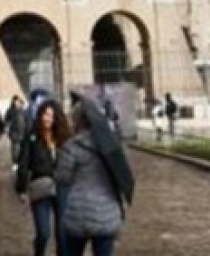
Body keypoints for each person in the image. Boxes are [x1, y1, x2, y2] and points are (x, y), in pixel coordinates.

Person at [57, 102, 129, 256]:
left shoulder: (71, 146)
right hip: (106, 215)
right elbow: (122, 171)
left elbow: (63, 177)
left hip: (78, 214)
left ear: (78, 121)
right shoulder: (112, 145)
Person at [16, 99, 71, 256]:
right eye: (45, 114)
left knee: (62, 233)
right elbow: (23, 162)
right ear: (40, 115)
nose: (47, 118)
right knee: (43, 232)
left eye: (51, 115)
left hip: (62, 187)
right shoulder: (32, 136)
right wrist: (21, 188)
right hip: (40, 186)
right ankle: (39, 252)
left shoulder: (63, 137)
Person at [5, 95, 29, 170]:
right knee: (15, 149)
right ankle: (15, 162)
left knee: (23, 149)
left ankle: (21, 162)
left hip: (23, 133)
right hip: (14, 133)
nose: (17, 103)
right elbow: (6, 121)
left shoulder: (24, 111)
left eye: (18, 102)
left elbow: (27, 121)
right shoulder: (10, 111)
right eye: (16, 101)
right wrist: (7, 128)